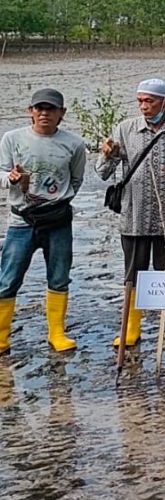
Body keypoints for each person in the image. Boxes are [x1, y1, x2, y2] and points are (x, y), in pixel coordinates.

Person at [96, 78, 165, 345]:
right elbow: (102, 173)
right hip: (133, 216)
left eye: (149, 101)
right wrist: (109, 154)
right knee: (133, 274)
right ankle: (130, 327)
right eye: (140, 101)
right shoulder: (125, 129)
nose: (144, 106)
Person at [0, 89, 87, 354]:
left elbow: (76, 180)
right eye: (39, 108)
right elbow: (1, 172)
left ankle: (57, 333)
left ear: (62, 114)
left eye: (51, 109)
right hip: (20, 220)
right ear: (30, 111)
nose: (44, 114)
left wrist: (57, 200)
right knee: (8, 279)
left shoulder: (74, 144)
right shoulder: (12, 139)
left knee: (59, 277)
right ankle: (2, 337)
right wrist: (10, 179)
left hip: (58, 220)